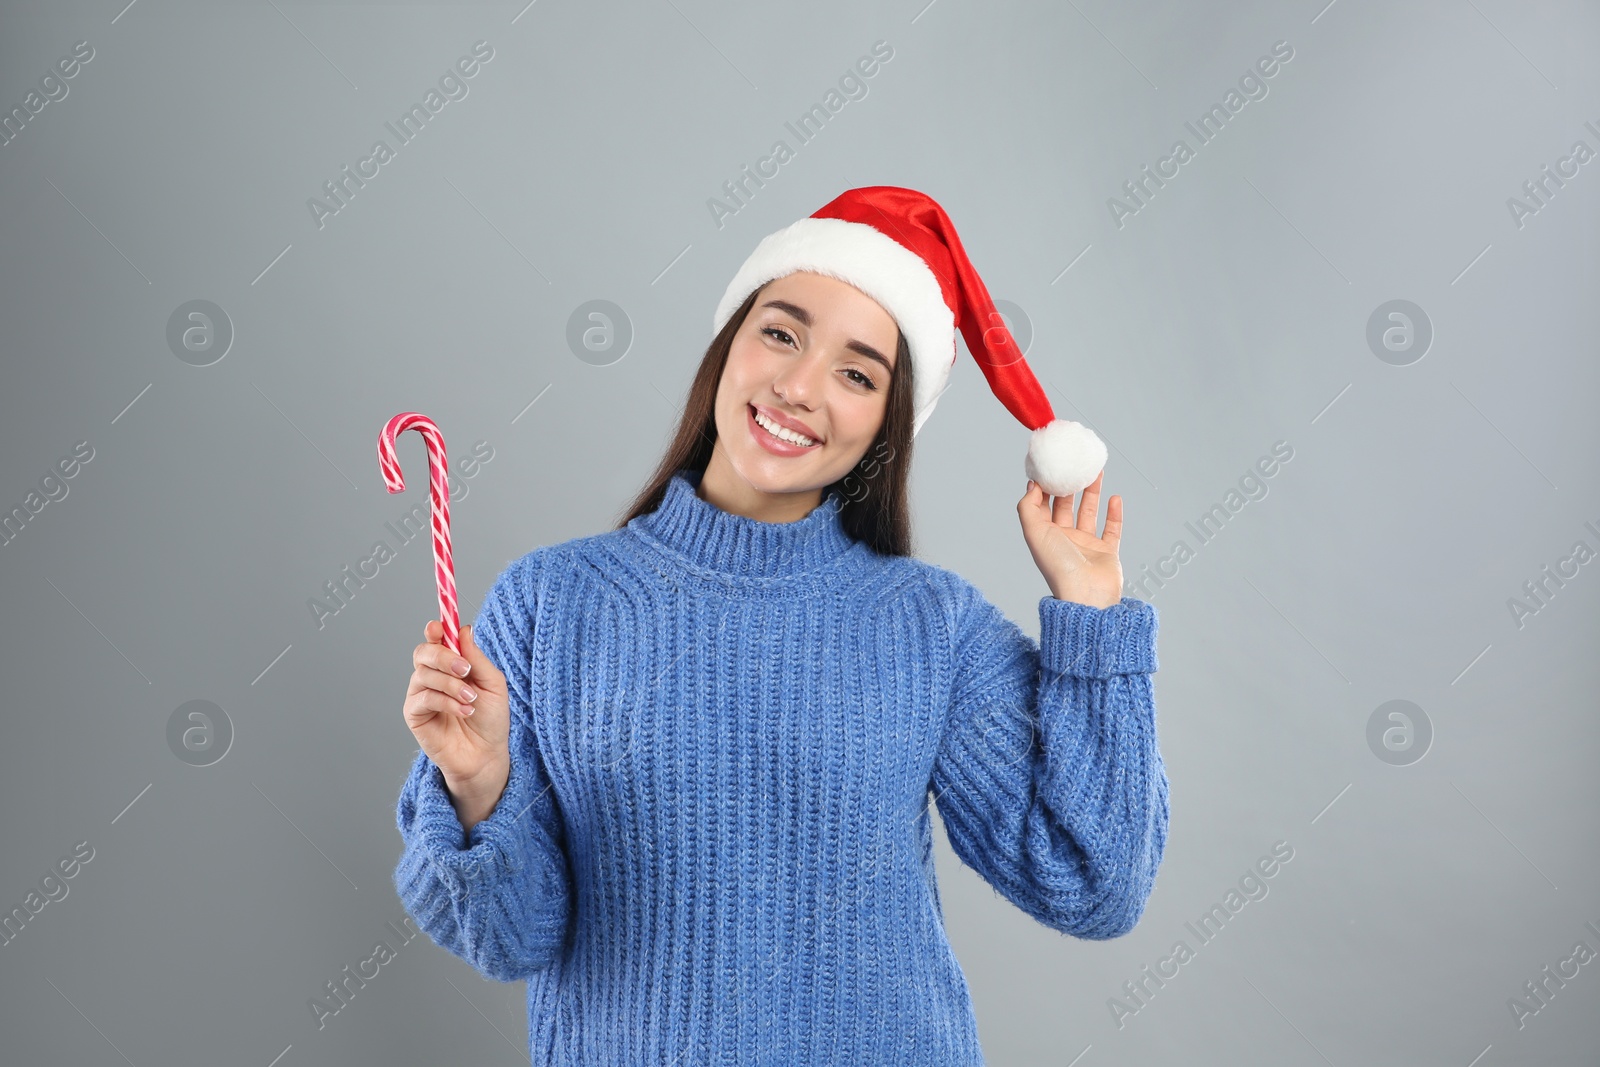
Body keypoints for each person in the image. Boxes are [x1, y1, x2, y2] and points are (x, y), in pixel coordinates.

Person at [393, 186, 1168, 1065]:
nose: (799, 387)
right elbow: (510, 938)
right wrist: (478, 784)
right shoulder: (551, 602)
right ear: (728, 346)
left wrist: (1092, 619)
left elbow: (1092, 883)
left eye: (856, 373)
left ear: (886, 424)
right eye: (781, 333)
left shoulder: (931, 626)